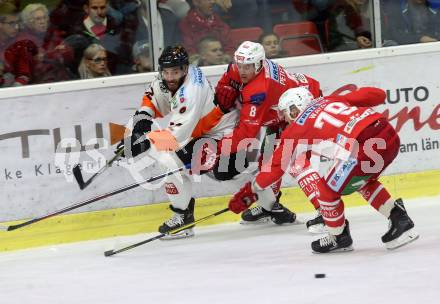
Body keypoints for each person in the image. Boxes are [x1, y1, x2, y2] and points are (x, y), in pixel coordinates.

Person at [228, 86, 419, 253]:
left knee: (327, 192)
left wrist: (251, 192)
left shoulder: (294, 130)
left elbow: (275, 169)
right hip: (387, 133)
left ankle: (339, 237)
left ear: (295, 109)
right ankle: (398, 218)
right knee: (363, 181)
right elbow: (376, 95)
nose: (285, 119)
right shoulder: (328, 100)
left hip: (364, 147)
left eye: (285, 113)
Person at [120, 45, 238, 239]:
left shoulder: (191, 92)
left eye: (175, 72)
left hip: (219, 133)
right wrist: (140, 124)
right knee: (170, 162)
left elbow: (174, 137)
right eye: (166, 72)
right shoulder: (166, 78)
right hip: (199, 130)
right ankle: (183, 216)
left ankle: (183, 217)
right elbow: (152, 100)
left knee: (171, 161)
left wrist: (140, 143)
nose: (170, 77)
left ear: (185, 69)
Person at [214, 40, 322, 225]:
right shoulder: (239, 69)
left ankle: (326, 211)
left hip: (303, 109)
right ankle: (268, 205)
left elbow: (246, 135)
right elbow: (226, 81)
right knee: (269, 160)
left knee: (298, 163)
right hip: (283, 112)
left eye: (247, 66)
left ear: (259, 64)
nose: (242, 71)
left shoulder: (260, 90)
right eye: (240, 65)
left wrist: (214, 149)